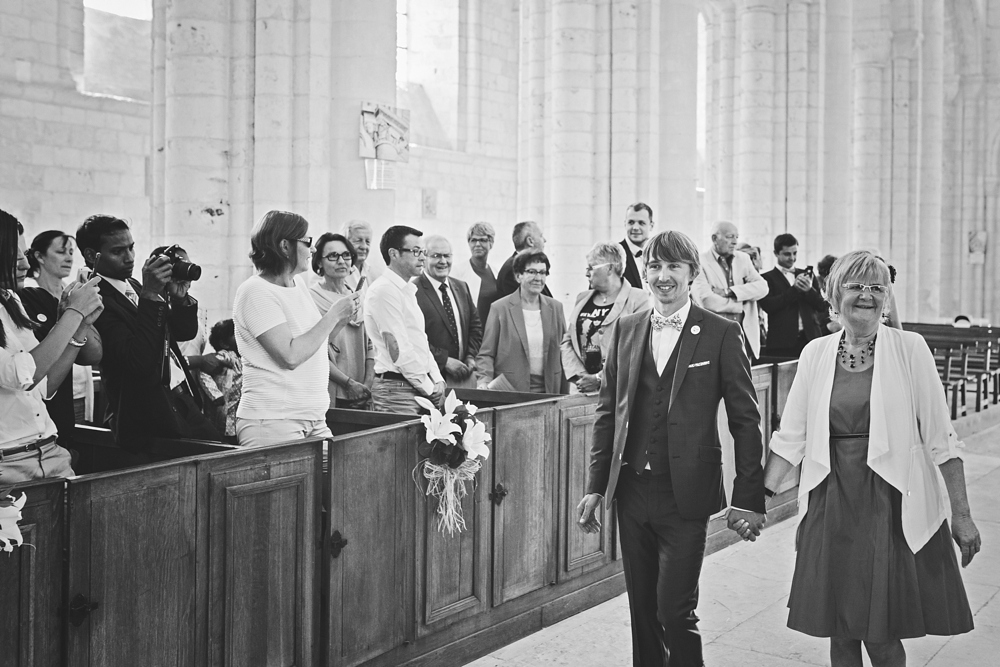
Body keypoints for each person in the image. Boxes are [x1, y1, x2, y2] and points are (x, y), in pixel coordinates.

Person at [763, 250, 979, 667]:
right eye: (856, 285)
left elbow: (942, 439)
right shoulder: (816, 353)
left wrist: (963, 515)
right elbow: (791, 437)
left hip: (889, 501)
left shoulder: (909, 348)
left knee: (880, 634)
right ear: (833, 294)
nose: (867, 294)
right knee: (840, 632)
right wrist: (755, 501)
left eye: (877, 287)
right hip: (831, 500)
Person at [576, 230, 766, 667]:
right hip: (632, 492)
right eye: (655, 267)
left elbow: (746, 420)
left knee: (674, 611)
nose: (663, 276)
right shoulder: (625, 329)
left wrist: (749, 496)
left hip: (687, 493)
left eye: (673, 267)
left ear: (692, 273)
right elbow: (609, 413)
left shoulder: (721, 332)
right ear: (644, 274)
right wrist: (596, 486)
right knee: (642, 612)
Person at [76, 216, 223, 452]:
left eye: (131, 247)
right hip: (149, 415)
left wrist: (180, 297)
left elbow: (182, 333)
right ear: (93, 255)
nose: (130, 257)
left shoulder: (133, 285)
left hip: (181, 399)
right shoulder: (94, 298)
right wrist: (152, 295)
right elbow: (139, 361)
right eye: (118, 251)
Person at [232, 210, 358, 447]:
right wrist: (332, 315)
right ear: (284, 246)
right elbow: (289, 356)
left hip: (313, 416)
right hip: (273, 420)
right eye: (307, 242)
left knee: (331, 482)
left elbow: (312, 344)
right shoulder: (255, 291)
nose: (312, 249)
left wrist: (342, 318)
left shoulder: (298, 284)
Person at [1, 209, 103, 488]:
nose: (24, 262)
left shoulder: (11, 302)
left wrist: (79, 328)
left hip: (49, 451)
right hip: (8, 463)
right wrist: (72, 313)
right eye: (16, 254)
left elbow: (44, 386)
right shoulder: (25, 296)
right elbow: (21, 376)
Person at [18, 231, 102, 447]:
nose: (68, 258)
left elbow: (94, 353)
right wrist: (72, 315)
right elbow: (24, 372)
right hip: (34, 407)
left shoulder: (71, 293)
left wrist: (81, 318)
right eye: (60, 251)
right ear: (38, 256)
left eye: (71, 253)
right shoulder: (26, 296)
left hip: (73, 392)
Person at [364, 225, 446, 414]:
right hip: (396, 389)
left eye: (423, 252)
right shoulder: (384, 290)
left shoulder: (406, 290)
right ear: (394, 254)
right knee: (402, 444)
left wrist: (437, 378)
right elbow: (399, 350)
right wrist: (429, 387)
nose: (423, 257)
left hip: (413, 384)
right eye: (416, 251)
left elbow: (420, 342)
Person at [561, 242, 648, 393]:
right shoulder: (582, 298)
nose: (587, 273)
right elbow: (567, 341)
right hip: (582, 390)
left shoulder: (638, 299)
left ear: (609, 268)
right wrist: (580, 376)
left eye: (591, 267)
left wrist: (599, 379)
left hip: (618, 392)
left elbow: (638, 349)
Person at [477, 252, 566, 394]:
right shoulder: (500, 308)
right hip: (510, 392)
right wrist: (484, 382)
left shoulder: (556, 308)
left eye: (543, 272)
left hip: (549, 392)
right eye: (532, 272)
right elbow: (486, 354)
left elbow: (564, 352)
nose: (538, 278)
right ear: (518, 276)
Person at [309, 232, 374, 409]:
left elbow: (370, 346)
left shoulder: (358, 295)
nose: (341, 261)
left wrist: (367, 385)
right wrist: (348, 384)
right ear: (319, 262)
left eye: (346, 255)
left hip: (363, 389)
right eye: (332, 256)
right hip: (332, 387)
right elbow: (313, 350)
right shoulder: (311, 299)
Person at [692, 221, 768, 363]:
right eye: (730, 237)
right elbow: (707, 300)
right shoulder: (699, 262)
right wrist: (742, 304)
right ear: (715, 238)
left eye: (736, 237)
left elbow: (763, 288)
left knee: (744, 382)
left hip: (744, 336)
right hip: (714, 336)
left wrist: (729, 292)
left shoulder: (743, 259)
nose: (735, 242)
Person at [413, 235, 483, 389]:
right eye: (436, 256)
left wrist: (471, 357)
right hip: (430, 382)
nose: (443, 261)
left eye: (447, 256)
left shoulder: (462, 287)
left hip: (463, 378)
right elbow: (413, 338)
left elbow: (475, 327)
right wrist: (444, 361)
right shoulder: (413, 291)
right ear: (424, 258)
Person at [759, 233, 828, 358]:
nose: (792, 258)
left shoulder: (807, 275)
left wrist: (808, 290)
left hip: (810, 339)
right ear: (776, 253)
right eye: (787, 254)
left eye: (795, 253)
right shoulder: (766, 278)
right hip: (781, 343)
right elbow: (769, 306)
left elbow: (822, 306)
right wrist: (794, 290)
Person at [451, 222, 499, 325]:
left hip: (493, 332)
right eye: (473, 240)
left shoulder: (496, 272)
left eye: (482, 240)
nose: (477, 244)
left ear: (491, 243)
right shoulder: (457, 272)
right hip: (472, 334)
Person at [495, 221, 552, 299]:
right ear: (530, 241)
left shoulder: (519, 265)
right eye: (541, 236)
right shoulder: (513, 269)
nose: (545, 240)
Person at [207, 319, 242, 441]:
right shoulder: (225, 355)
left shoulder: (242, 357)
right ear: (224, 344)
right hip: (223, 404)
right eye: (237, 333)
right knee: (221, 434)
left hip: (236, 409)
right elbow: (203, 373)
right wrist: (215, 395)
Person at [619, 202, 655, 289]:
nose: (635, 227)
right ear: (625, 224)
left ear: (651, 226)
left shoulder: (659, 253)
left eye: (641, 223)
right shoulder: (613, 254)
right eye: (631, 222)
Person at [343, 219, 384, 295]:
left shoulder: (376, 274)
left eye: (367, 241)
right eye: (358, 241)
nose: (364, 247)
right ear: (345, 243)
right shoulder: (337, 273)